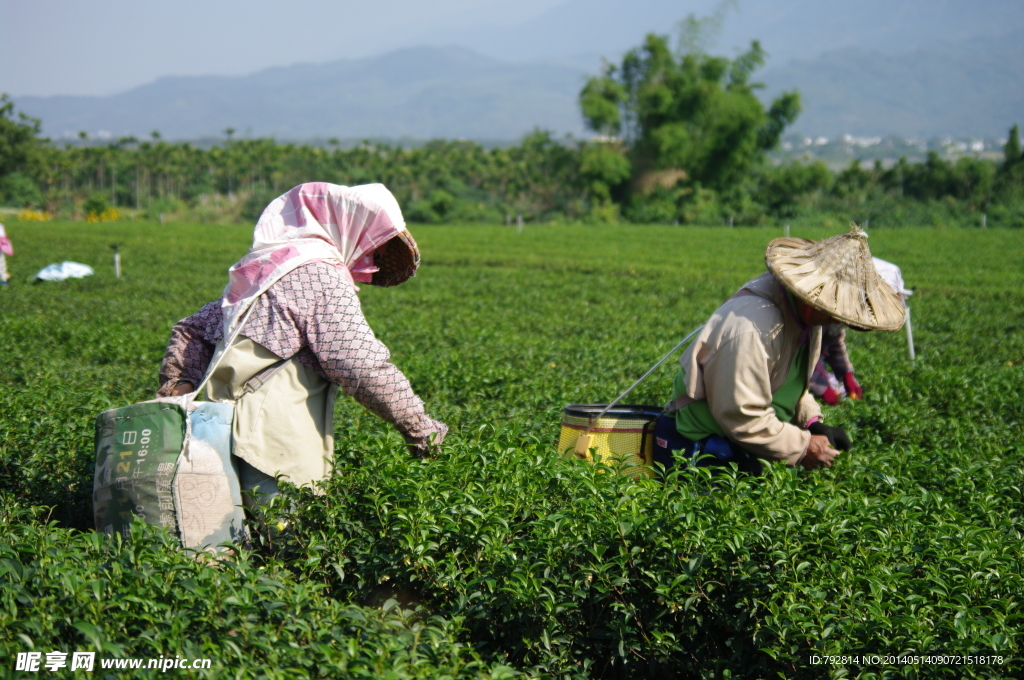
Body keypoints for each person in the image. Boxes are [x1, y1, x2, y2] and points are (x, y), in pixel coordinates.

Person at [157, 182, 447, 504]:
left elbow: (191, 329)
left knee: (233, 540)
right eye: (372, 243)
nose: (370, 255)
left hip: (213, 429)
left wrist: (179, 387)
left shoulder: (269, 268)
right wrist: (419, 427)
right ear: (350, 228)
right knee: (285, 541)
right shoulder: (319, 274)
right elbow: (356, 361)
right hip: (268, 442)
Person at [653, 224, 906, 474]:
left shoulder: (804, 317)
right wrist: (803, 446)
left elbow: (787, 382)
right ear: (813, 296)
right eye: (835, 312)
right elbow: (741, 416)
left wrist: (811, 422)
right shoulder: (755, 327)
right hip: (699, 447)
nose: (837, 321)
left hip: (741, 443)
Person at [808, 257, 912, 405]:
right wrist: (820, 388)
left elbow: (833, 340)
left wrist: (846, 373)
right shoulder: (817, 312)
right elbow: (798, 356)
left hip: (813, 366)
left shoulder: (840, 312)